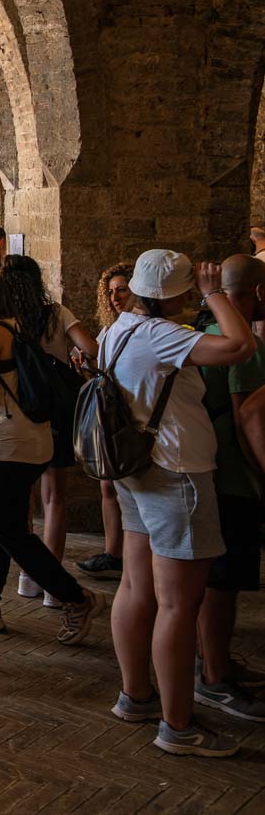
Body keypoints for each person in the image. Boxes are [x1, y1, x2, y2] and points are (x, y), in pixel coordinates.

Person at [102, 249, 251, 757]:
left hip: (136, 472)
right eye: (189, 292)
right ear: (177, 295)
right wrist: (217, 294)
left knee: (134, 586)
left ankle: (135, 696)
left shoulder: (118, 329)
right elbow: (240, 345)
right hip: (176, 474)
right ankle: (178, 726)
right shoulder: (163, 336)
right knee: (179, 605)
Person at [0, 267, 108, 641]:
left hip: (6, 444)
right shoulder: (12, 326)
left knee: (9, 532)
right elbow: (1, 375)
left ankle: (76, 597)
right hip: (32, 439)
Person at [1, 254, 99, 605]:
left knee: (22, 498)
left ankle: (28, 576)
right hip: (54, 411)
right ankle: (53, 587)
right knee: (54, 497)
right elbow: (92, 349)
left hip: (17, 413)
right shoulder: (57, 313)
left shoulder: (3, 321)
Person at [192, 254, 265, 721]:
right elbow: (248, 418)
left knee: (218, 578)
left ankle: (214, 662)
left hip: (206, 469)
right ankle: (215, 677)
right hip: (233, 477)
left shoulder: (208, 331)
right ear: (259, 292)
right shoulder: (244, 344)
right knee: (223, 582)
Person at [76, 261, 137, 578]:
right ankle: (113, 553)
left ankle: (129, 557)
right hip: (109, 419)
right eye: (111, 292)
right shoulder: (108, 330)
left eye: (122, 290)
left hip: (129, 420)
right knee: (108, 488)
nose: (115, 298)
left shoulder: (141, 330)